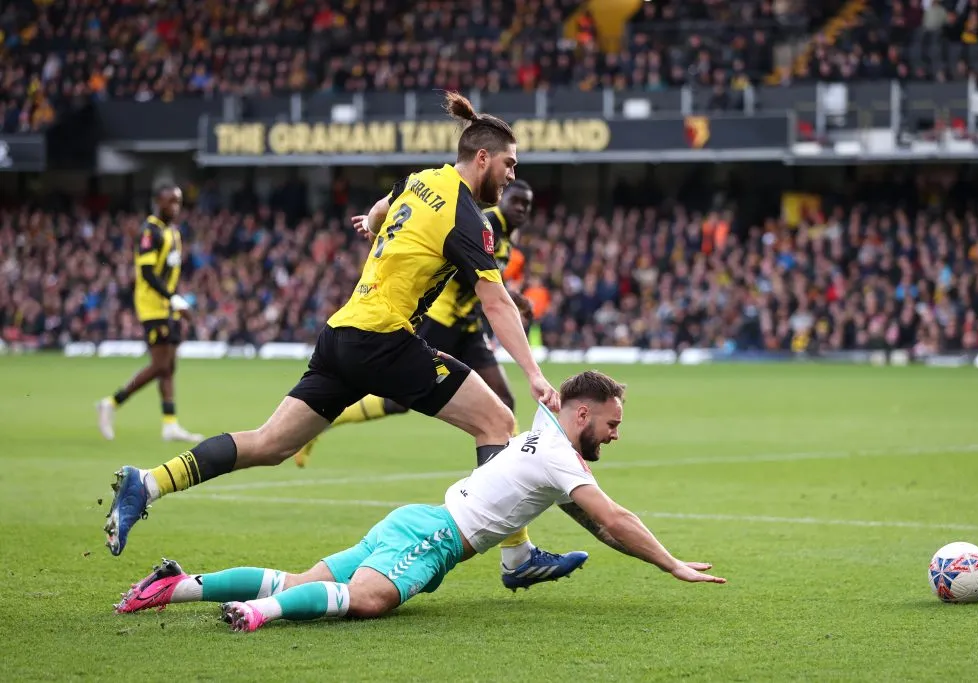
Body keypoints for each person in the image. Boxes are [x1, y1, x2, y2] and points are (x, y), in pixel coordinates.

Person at [103, 91, 583, 591]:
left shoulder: (421, 181)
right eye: (509, 164)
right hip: (384, 339)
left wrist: (371, 225)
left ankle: (150, 482)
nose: (511, 176)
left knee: (269, 444)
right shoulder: (467, 217)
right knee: (497, 420)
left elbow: (379, 210)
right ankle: (516, 557)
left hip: (341, 333)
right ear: (482, 157)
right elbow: (497, 302)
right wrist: (533, 372)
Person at [113, 371, 726, 632]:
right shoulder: (560, 454)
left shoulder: (548, 433)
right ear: (583, 413)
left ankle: (177, 585)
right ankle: (257, 615)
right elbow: (614, 518)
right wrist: (672, 563)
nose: (616, 435)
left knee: (301, 580)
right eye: (612, 423)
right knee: (371, 602)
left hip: (416, 521)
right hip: (433, 537)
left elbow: (602, 528)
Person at [290, 179, 547, 590]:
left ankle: (516, 548)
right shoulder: (486, 223)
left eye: (527, 204)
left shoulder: (506, 241)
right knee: (401, 402)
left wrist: (511, 294)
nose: (521, 208)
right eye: (517, 199)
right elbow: (471, 274)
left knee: (503, 405)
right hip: (442, 321)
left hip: (466, 326)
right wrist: (512, 298)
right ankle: (318, 426)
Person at [95, 185, 203, 443]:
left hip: (168, 307)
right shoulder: (149, 232)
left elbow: (170, 274)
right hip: (152, 307)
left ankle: (170, 424)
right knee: (160, 365)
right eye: (170, 202)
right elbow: (147, 273)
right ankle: (111, 403)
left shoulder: (174, 233)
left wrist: (177, 302)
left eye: (178, 202)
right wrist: (173, 299)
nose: (175, 207)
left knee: (169, 366)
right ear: (158, 202)